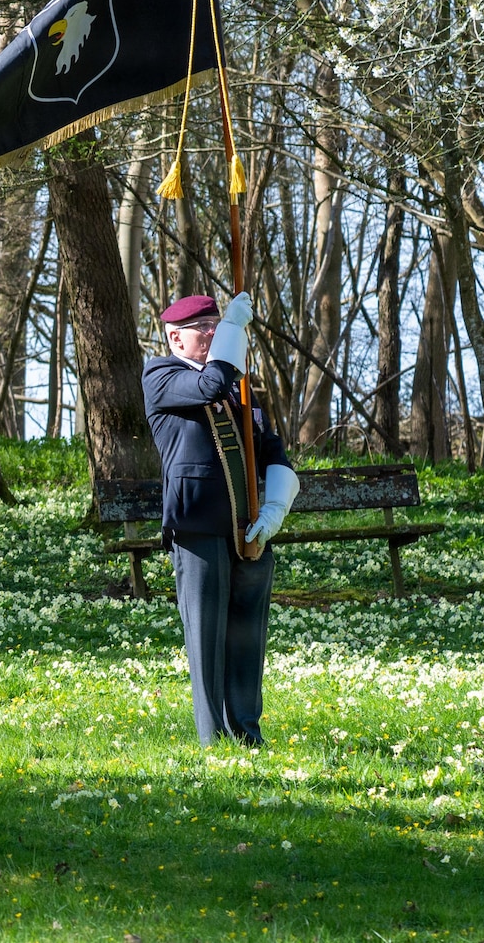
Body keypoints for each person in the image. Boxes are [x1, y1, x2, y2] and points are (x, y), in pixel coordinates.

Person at [143, 292, 300, 747]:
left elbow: (275, 453)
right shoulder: (162, 375)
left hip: (249, 528)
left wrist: (275, 509)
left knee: (248, 638)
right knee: (207, 639)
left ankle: (247, 734)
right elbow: (208, 386)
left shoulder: (240, 389)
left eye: (218, 325)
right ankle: (213, 740)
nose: (214, 333)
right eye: (204, 328)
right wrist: (233, 329)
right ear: (176, 337)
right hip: (199, 523)